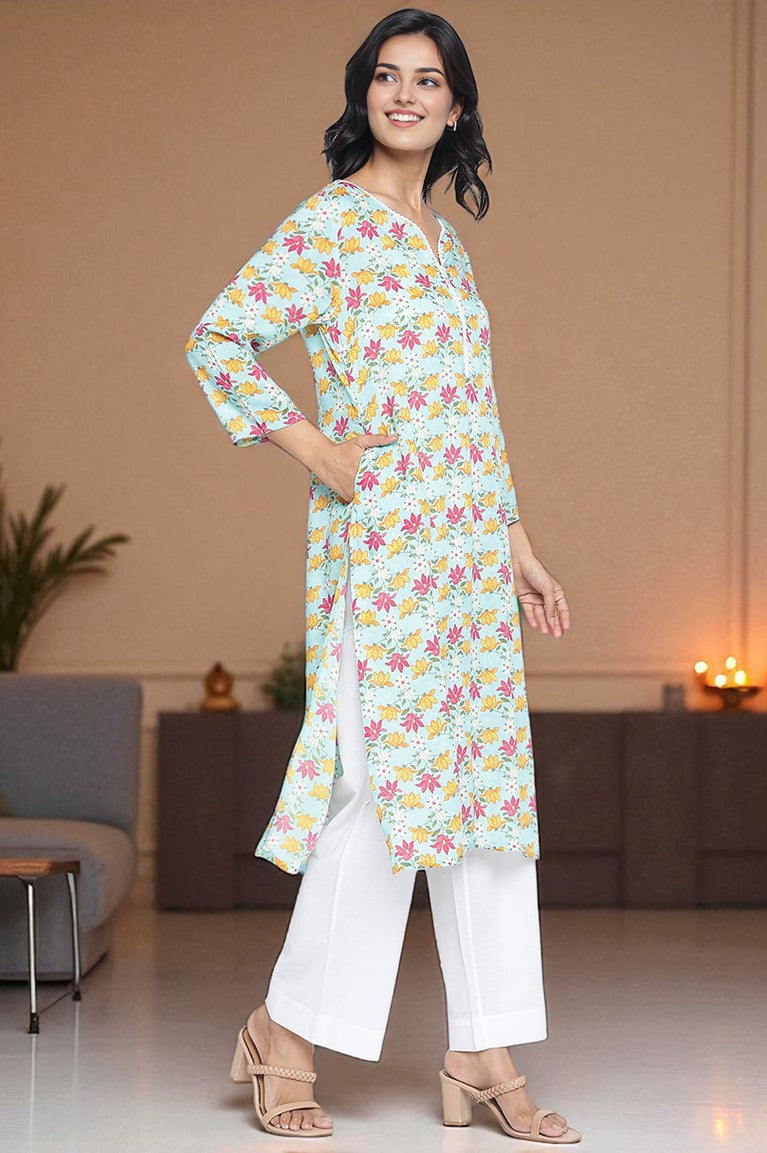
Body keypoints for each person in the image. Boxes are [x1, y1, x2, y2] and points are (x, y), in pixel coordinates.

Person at [185, 7, 579, 1144]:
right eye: (386, 76)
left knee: (483, 796)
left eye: (428, 80)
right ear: (364, 96)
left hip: (466, 557)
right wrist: (315, 449)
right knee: (377, 794)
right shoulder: (329, 225)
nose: (405, 94)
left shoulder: (448, 248)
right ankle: (286, 1032)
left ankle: (481, 1051)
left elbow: (473, 416)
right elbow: (217, 339)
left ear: (455, 109)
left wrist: (515, 544)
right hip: (386, 548)